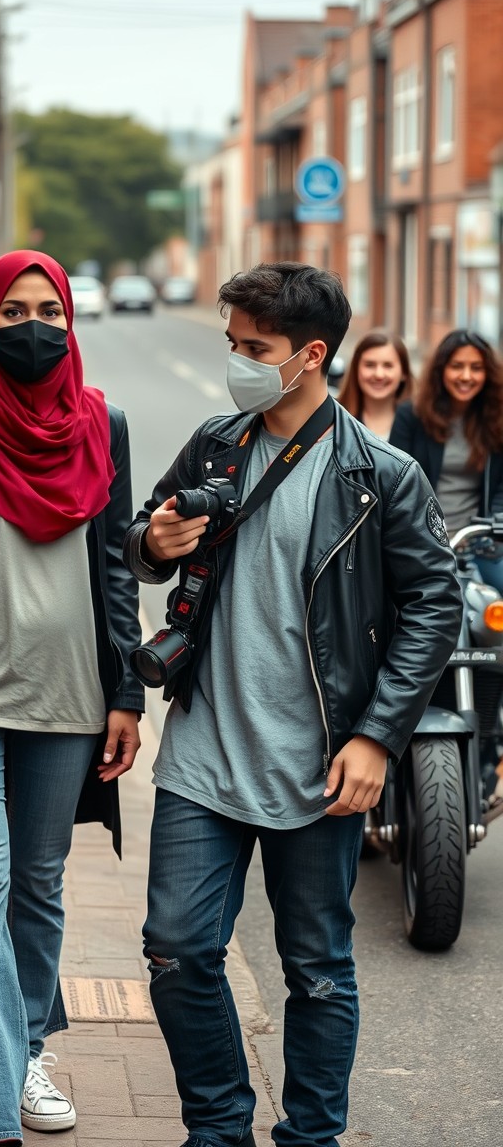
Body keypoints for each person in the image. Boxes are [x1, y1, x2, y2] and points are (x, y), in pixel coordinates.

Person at [123, 262, 462, 1147]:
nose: (238, 359)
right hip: (203, 749)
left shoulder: (381, 476)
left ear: (312, 356)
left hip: (320, 766)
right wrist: (151, 541)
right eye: (231, 343)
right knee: (177, 948)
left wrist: (379, 738)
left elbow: (434, 606)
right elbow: (147, 543)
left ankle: (310, 1136)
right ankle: (219, 1125)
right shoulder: (214, 442)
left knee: (314, 968)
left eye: (256, 348)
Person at [0, 249, 144, 1145]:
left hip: (71, 697)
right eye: (10, 312)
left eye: (46, 309)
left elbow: (120, 566)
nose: (32, 328)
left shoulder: (105, 424)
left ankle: (23, 1044)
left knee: (39, 887)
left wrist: (126, 689)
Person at [389, 327, 503, 590]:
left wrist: (494, 525)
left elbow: (500, 487)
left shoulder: (495, 419)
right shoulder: (412, 415)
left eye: (476, 367)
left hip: (477, 543)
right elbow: (395, 483)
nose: (466, 376)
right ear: (441, 370)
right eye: (457, 366)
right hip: (423, 544)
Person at [336, 329, 413, 438]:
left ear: (404, 372)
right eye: (370, 365)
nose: (379, 375)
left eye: (388, 365)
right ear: (356, 369)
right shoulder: (334, 419)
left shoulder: (422, 425)